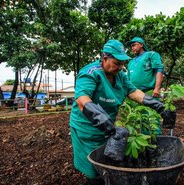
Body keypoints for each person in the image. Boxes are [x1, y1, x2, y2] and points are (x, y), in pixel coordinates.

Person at [69, 39, 175, 184]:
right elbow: (82, 100)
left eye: (122, 64)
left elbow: (134, 92)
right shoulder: (91, 73)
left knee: (108, 162)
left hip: (107, 127)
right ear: (105, 58)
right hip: (87, 128)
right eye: (117, 63)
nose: (120, 67)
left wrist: (159, 107)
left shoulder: (120, 76)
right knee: (93, 169)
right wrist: (104, 121)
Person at [127, 37, 164, 134]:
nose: (132, 48)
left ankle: (155, 143)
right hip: (135, 95)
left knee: (151, 119)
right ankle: (144, 143)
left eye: (134, 45)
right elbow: (128, 79)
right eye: (131, 46)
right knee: (139, 120)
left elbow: (159, 70)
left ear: (141, 44)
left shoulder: (151, 55)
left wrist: (157, 88)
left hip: (149, 93)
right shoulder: (131, 62)